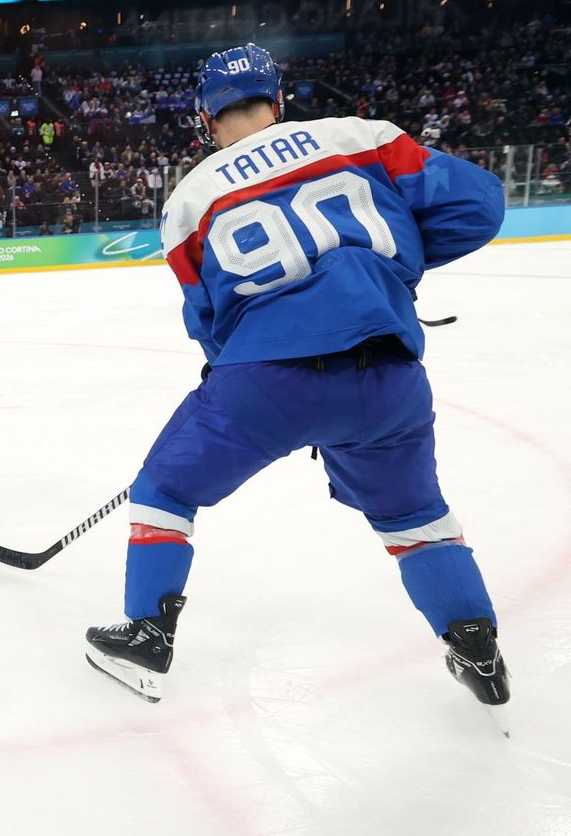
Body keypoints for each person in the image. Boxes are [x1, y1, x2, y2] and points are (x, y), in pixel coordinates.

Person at [83, 43, 511, 727]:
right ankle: (477, 647)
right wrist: (386, 270)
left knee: (164, 493)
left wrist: (245, 366)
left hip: (265, 380)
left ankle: (146, 636)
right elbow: (481, 205)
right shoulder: (361, 137)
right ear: (277, 101)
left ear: (205, 117)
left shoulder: (189, 199)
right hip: (389, 377)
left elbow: (208, 318)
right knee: (415, 519)